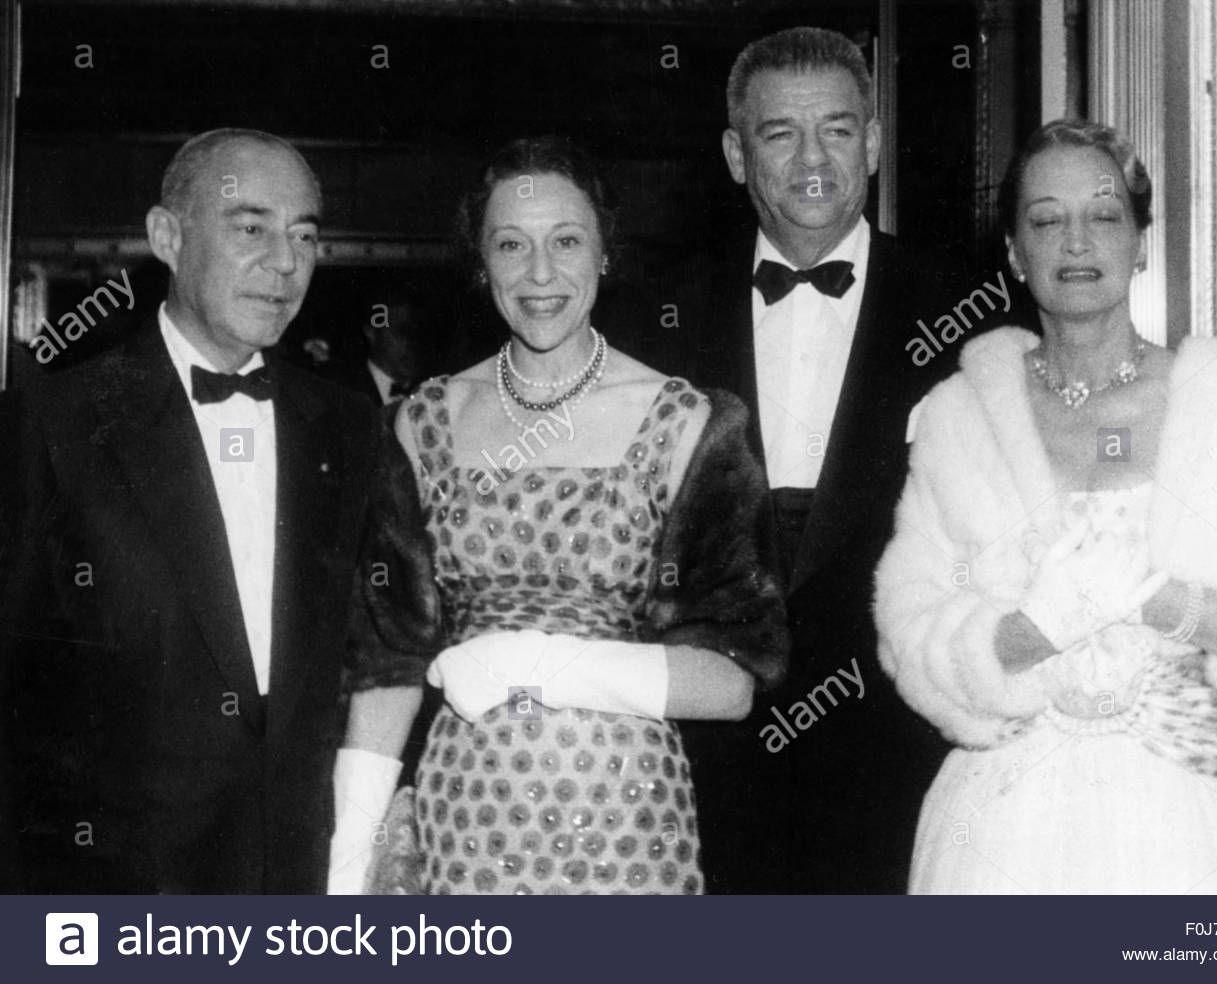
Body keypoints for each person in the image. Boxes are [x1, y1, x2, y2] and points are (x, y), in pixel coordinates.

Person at [328, 135, 788, 895]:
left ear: (605, 254)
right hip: (465, 820)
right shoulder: (421, 422)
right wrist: (346, 867)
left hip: (630, 825)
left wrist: (529, 666)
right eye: (511, 244)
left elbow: (733, 681)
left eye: (567, 241)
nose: (540, 274)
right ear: (481, 263)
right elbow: (388, 670)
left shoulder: (687, 423)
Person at [875, 118, 1217, 894]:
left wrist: (1179, 607)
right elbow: (908, 634)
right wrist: (1027, 632)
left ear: (1139, 242)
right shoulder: (960, 417)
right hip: (1003, 825)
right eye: (1046, 220)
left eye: (1103, 215)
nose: (1076, 242)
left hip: (1190, 824)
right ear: (1014, 251)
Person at [0, 128, 377, 893]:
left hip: (297, 880)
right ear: (167, 237)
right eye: (251, 228)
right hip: (108, 886)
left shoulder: (349, 426)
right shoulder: (57, 421)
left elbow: (377, 645)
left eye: (305, 235)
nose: (285, 262)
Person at [670, 26, 962, 893]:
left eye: (835, 130)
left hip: (898, 762)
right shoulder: (658, 316)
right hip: (705, 766)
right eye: (779, 133)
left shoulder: (967, 312)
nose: (811, 160)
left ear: (871, 144)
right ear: (736, 155)